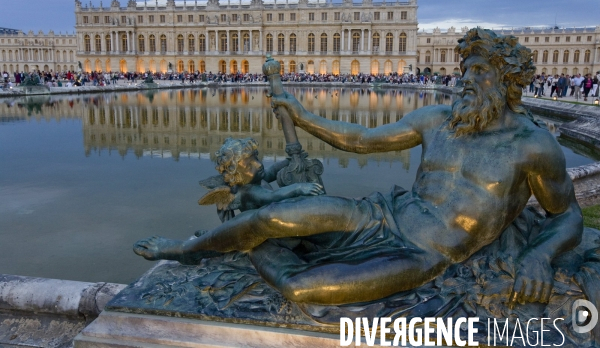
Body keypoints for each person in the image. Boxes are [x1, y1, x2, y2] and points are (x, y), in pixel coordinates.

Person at [134, 28, 582, 307]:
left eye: (478, 70)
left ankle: (249, 246)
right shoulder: (437, 120)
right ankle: (185, 249)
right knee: (271, 216)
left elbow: (567, 214)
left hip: (425, 253)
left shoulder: (533, 146)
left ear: (505, 80)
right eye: (465, 67)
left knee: (301, 288)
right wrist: (303, 115)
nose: (464, 78)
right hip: (382, 213)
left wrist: (539, 256)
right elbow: (363, 140)